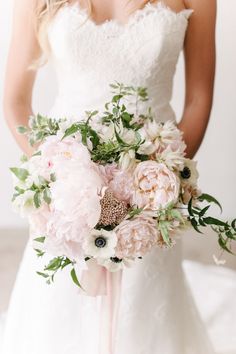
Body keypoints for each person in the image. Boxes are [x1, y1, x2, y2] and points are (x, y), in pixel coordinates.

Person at [2, 0, 217, 353]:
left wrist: (158, 184)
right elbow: (15, 102)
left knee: (146, 300)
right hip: (67, 190)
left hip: (152, 186)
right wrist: (60, 175)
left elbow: (198, 99)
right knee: (59, 302)